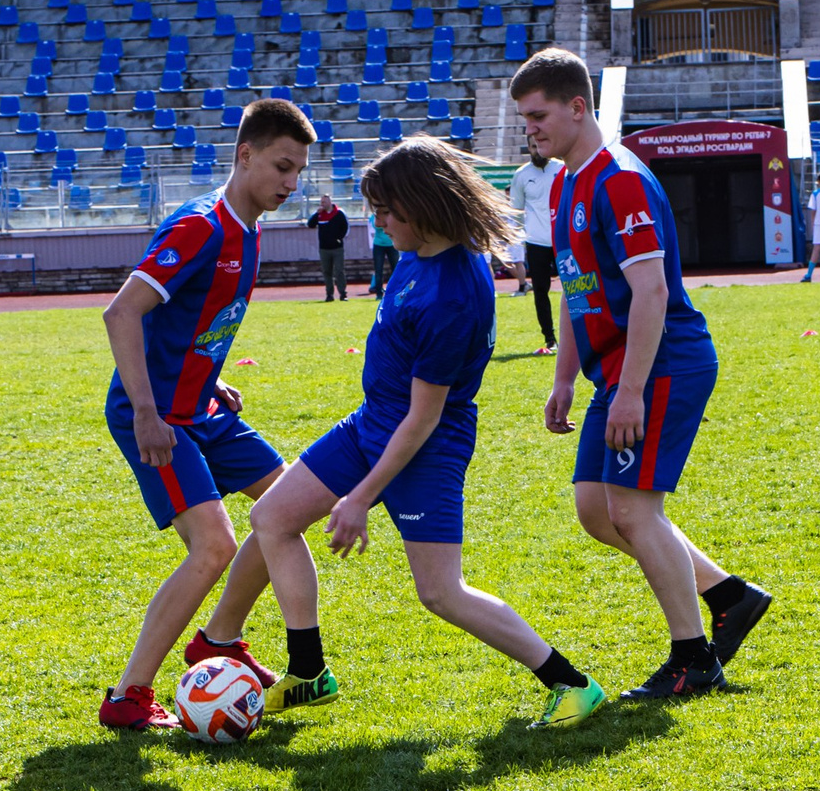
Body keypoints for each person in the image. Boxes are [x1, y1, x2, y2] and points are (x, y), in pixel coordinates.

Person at [241, 136, 607, 729]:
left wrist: (360, 496)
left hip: (424, 446)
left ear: (424, 205)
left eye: (388, 211)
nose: (378, 223)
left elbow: (424, 418)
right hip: (371, 425)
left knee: (441, 593)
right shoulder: (419, 251)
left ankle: (572, 683)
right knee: (273, 519)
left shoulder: (453, 294)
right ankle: (310, 674)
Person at [511, 48, 771, 700]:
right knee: (596, 509)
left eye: (538, 115)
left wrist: (629, 391)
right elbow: (578, 291)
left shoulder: (618, 178)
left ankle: (694, 658)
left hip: (661, 363)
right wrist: (565, 377)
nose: (530, 129)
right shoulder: (567, 182)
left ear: (578, 107)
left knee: (631, 508)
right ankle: (729, 597)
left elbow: (651, 293)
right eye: (523, 119)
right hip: (619, 371)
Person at [96, 97, 314, 731]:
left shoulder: (250, 230)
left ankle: (219, 640)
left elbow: (195, 326)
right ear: (244, 156)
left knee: (292, 502)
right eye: (281, 167)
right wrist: (145, 412)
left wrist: (212, 383)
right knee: (214, 545)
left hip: (201, 406)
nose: (290, 184)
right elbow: (122, 313)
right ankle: (130, 696)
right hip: (158, 416)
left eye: (298, 171)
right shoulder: (200, 227)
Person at [509, 143, 561, 353]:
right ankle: (549, 338)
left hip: (562, 239)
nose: (536, 150)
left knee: (576, 287)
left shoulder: (561, 169)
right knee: (540, 290)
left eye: (538, 145)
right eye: (532, 146)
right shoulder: (521, 175)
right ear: (528, 148)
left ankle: (579, 334)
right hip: (536, 241)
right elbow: (516, 208)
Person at [305, 191, 349, 301]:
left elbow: (345, 227)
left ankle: (343, 293)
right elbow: (310, 224)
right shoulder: (320, 215)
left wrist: (339, 238)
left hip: (337, 248)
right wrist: (316, 213)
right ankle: (329, 295)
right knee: (327, 272)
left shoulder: (339, 213)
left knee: (339, 271)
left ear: (330, 201)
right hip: (324, 248)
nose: (322, 204)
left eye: (324, 202)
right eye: (321, 202)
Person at [368, 206, 398, 297]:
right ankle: (378, 293)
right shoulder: (373, 216)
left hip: (391, 244)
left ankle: (396, 291)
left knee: (396, 269)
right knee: (378, 269)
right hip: (378, 244)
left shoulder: (390, 213)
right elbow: (375, 225)